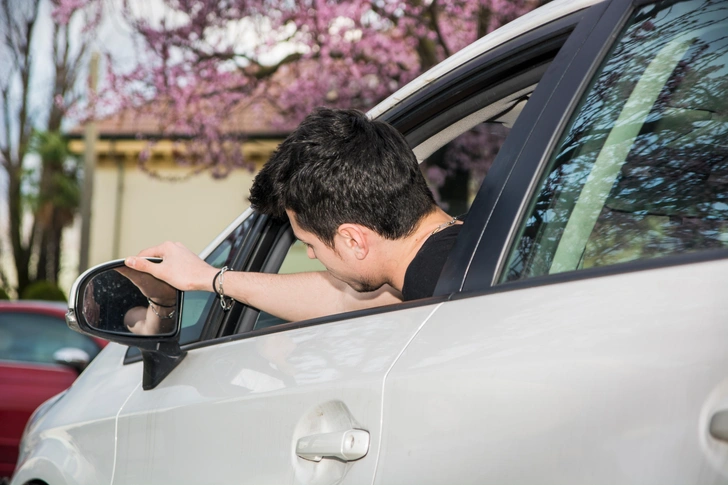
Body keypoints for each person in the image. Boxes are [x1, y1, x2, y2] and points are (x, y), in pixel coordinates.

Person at [124, 107, 462, 322]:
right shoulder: (464, 254)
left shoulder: (440, 297)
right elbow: (335, 299)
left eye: (309, 243)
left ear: (353, 239)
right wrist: (208, 278)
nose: (312, 255)